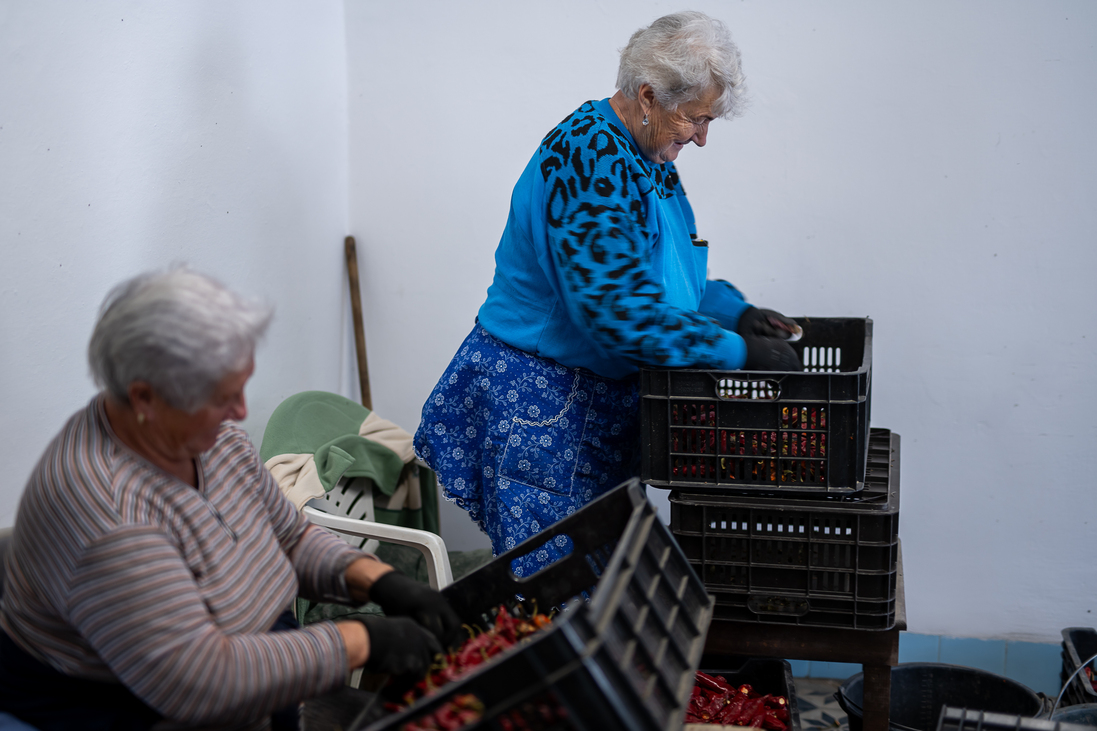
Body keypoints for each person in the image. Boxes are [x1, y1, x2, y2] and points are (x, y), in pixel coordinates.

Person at [414, 11, 801, 575]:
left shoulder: (648, 157)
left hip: (596, 406)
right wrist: (736, 355)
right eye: (695, 119)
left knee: (609, 592)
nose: (702, 137)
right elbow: (619, 312)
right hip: (543, 405)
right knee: (561, 601)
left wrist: (737, 313)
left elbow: (664, 270)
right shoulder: (589, 154)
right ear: (649, 96)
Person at [0, 267, 460, 731]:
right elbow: (201, 680)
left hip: (250, 662)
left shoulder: (210, 440)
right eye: (222, 397)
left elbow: (291, 539)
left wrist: (377, 580)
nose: (241, 412)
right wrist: (360, 640)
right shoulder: (105, 514)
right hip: (131, 703)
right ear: (145, 398)